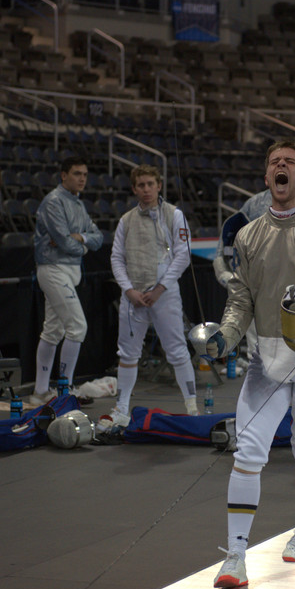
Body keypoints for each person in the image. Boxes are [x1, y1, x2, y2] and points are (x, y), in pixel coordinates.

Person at [204, 140, 295, 589]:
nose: (281, 167)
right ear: (267, 178)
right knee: (248, 454)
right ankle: (235, 556)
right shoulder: (247, 237)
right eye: (274, 163)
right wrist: (224, 338)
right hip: (265, 362)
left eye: (289, 162)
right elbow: (240, 301)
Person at [103, 164, 198, 428]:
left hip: (164, 294)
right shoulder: (126, 220)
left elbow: (183, 255)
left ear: (159, 185)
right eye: (141, 185)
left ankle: (192, 408)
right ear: (134, 189)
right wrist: (129, 290)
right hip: (133, 296)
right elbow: (116, 258)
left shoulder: (174, 215)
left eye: (150, 184)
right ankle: (121, 408)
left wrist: (159, 288)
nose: (146, 189)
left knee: (177, 351)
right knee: (128, 354)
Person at [29, 156, 105, 406]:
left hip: (69, 271)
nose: (82, 178)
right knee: (77, 327)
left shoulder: (79, 205)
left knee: (53, 330)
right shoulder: (53, 202)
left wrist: (80, 239)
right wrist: (82, 245)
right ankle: (65, 389)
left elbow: (98, 237)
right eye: (76, 173)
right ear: (64, 175)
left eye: (84, 174)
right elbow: (63, 242)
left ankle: (41, 392)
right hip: (53, 269)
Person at [213, 188, 295, 359]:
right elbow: (224, 245)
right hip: (258, 286)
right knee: (258, 353)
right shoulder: (253, 203)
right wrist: (227, 278)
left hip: (294, 289)